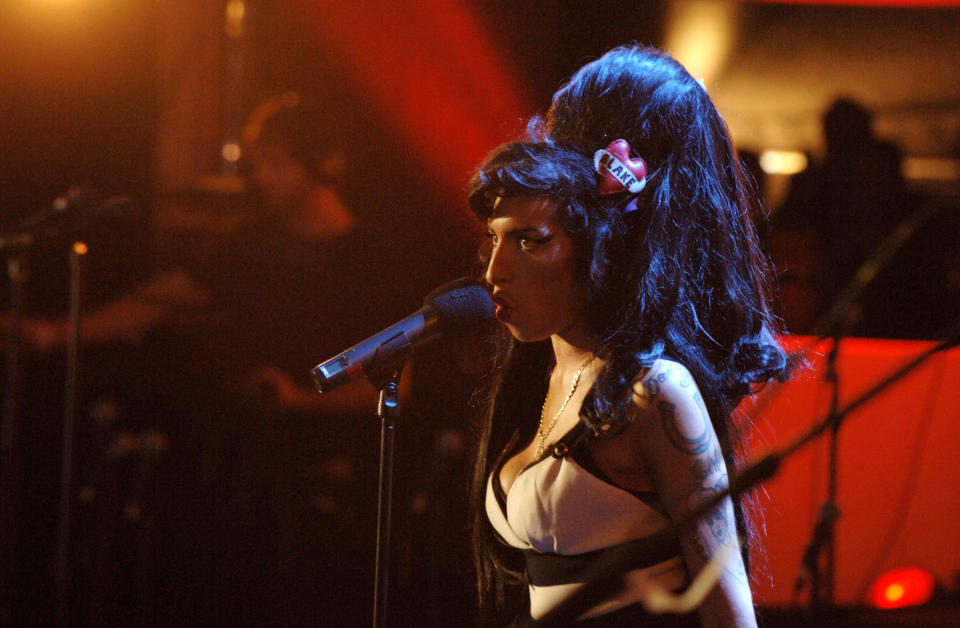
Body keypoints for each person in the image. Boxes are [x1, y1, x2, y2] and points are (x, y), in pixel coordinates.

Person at [468, 45, 788, 626]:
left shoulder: (656, 390)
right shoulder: (542, 369)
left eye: (531, 241)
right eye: (495, 240)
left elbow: (730, 613)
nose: (495, 271)